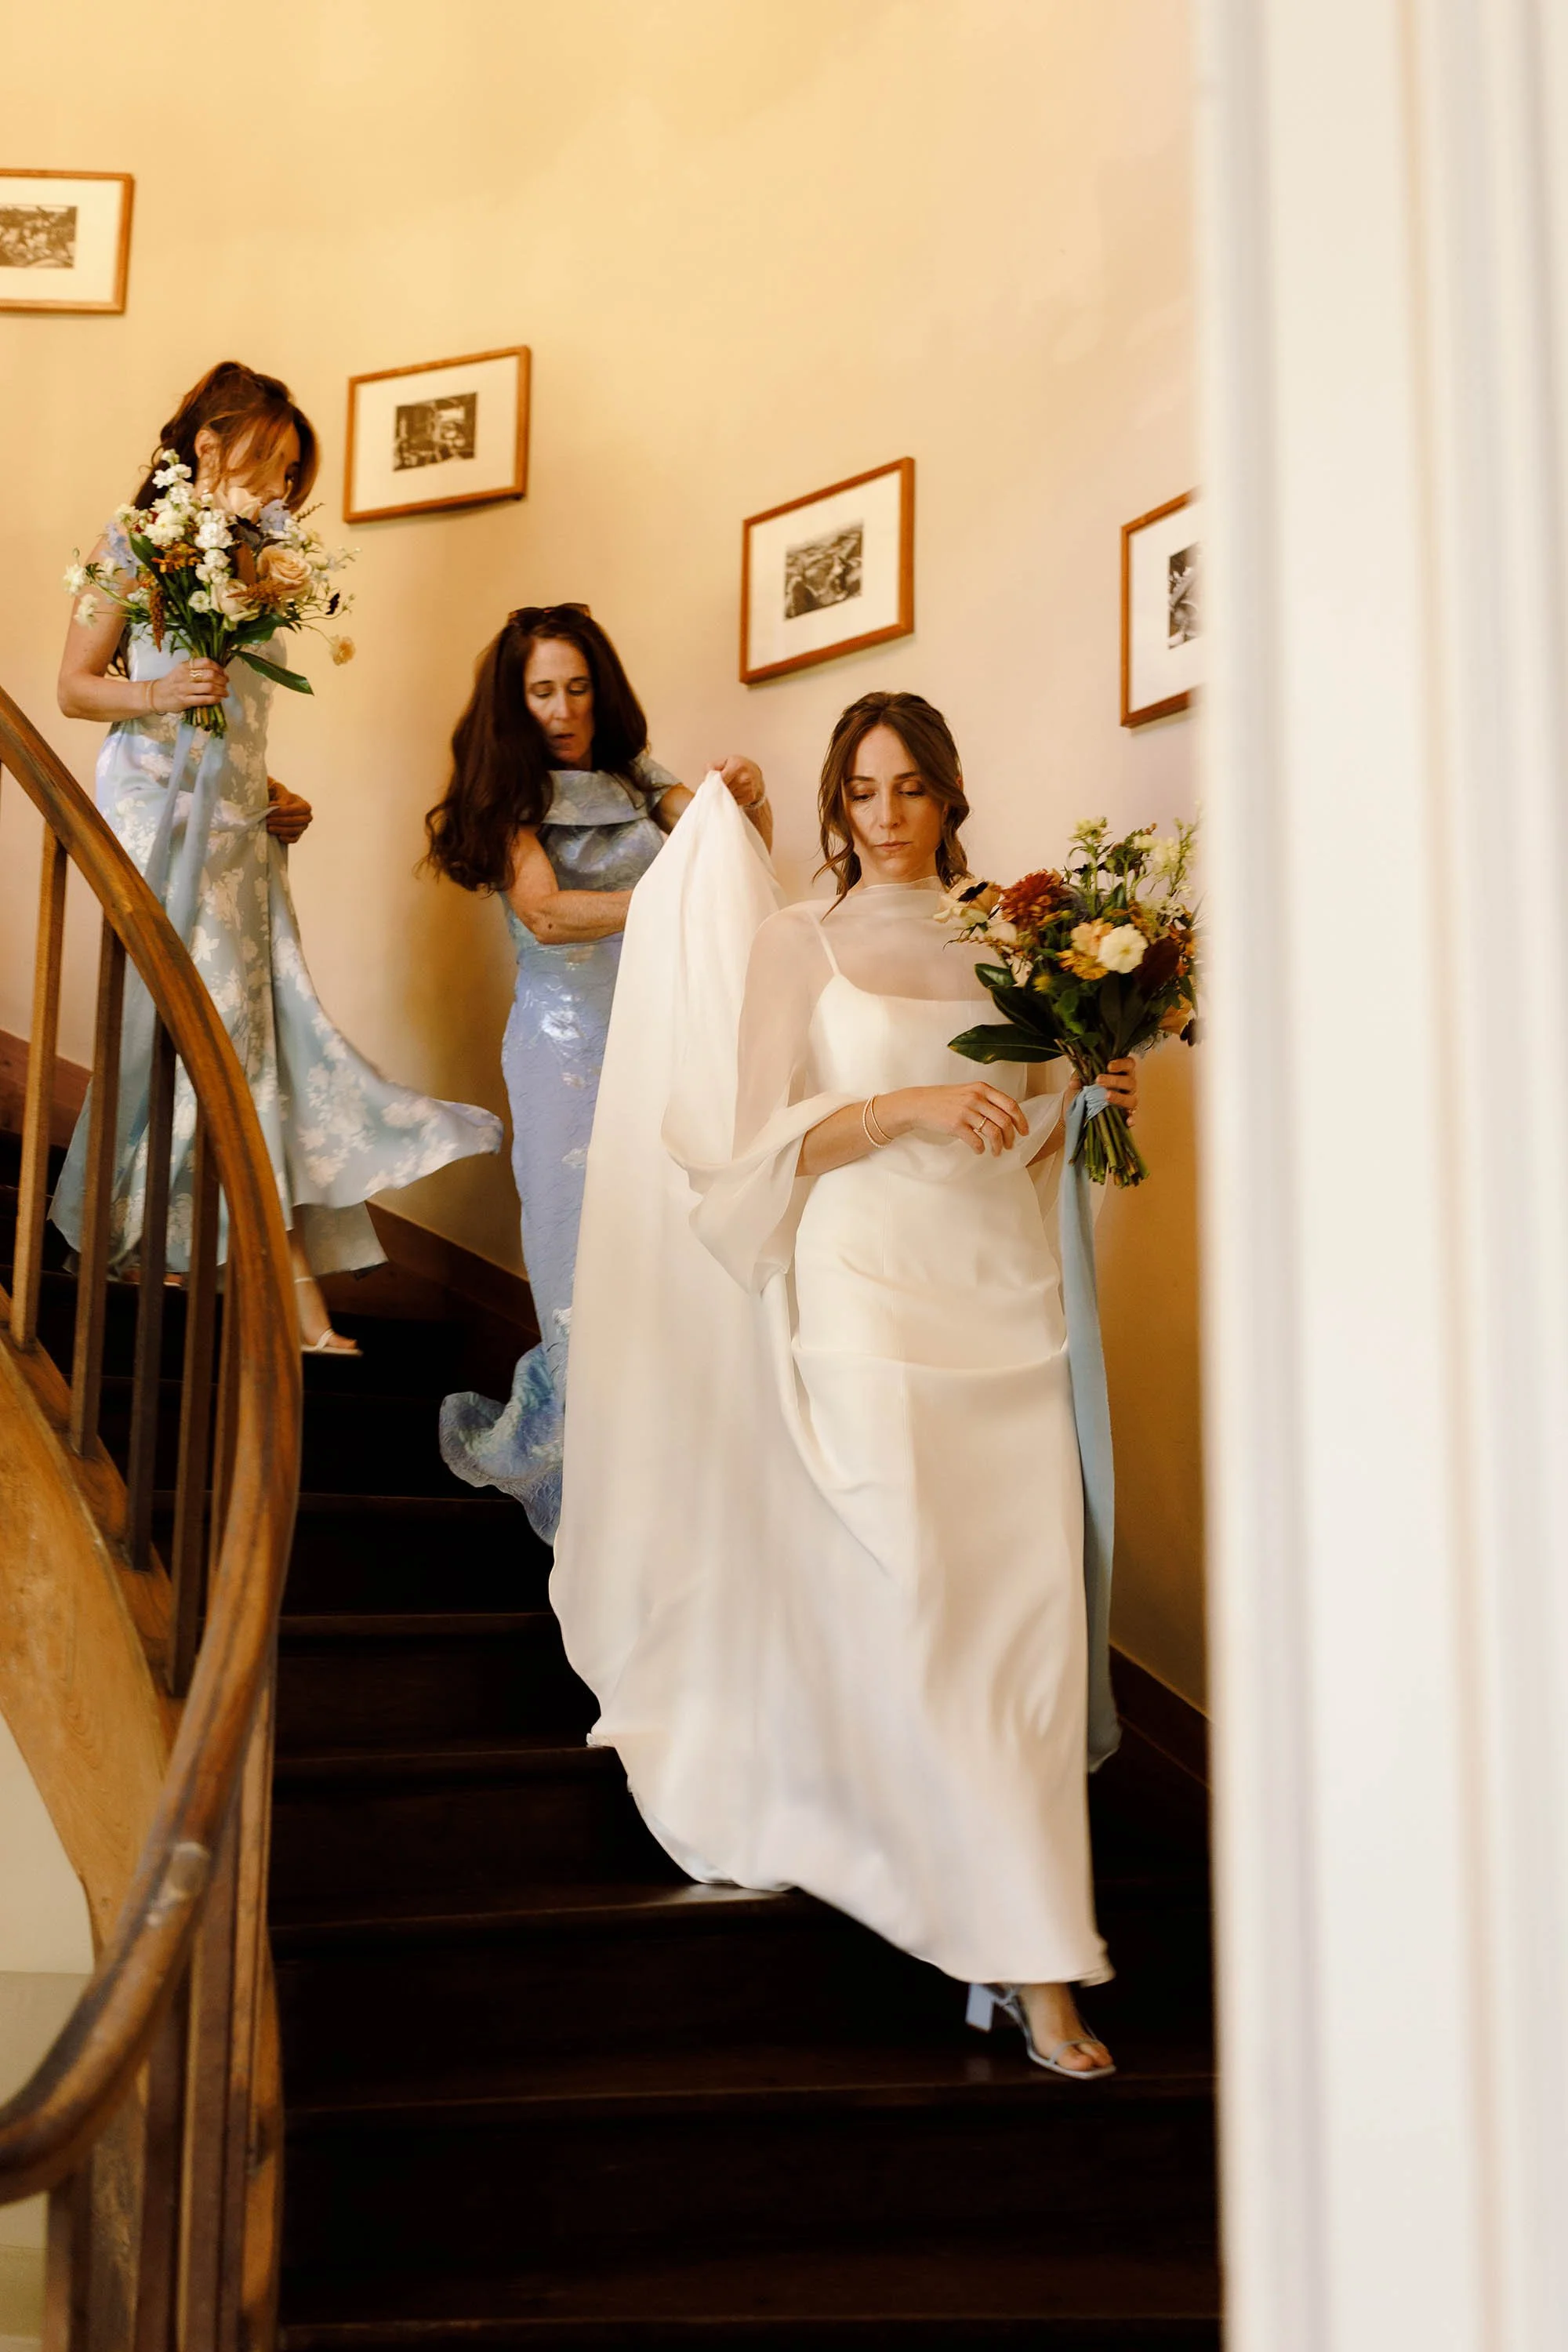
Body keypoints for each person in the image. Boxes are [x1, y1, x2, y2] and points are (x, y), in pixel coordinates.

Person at [552, 691, 1139, 2078]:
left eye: (911, 789)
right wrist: (898, 1109)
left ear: (949, 795)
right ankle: (1026, 1957)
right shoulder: (795, 941)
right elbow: (754, 1148)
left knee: (1033, 1635)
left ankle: (1027, 1947)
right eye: (863, 792)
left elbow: (1031, 1140)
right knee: (936, 1607)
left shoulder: (1017, 939)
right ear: (838, 804)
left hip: (1007, 1304)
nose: (886, 817)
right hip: (872, 1308)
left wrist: (1091, 1098)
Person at [54, 361, 502, 1352]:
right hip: (157, 805)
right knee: (217, 1029)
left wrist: (272, 795)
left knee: (253, 1028)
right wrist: (160, 697)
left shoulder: (263, 565)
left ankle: (203, 1252)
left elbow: (243, 715)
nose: (281, 489)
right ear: (207, 448)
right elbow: (77, 688)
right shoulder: (137, 540)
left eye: (294, 472)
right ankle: (284, 1291)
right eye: (270, 463)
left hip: (238, 820)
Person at [423, 604, 770, 1538]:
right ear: (514, 700)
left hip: (665, 1044)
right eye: (542, 691)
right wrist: (674, 900)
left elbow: (733, 860)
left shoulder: (638, 777)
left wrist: (751, 795)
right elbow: (548, 916)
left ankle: (675, 1495)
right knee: (580, 1263)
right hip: (566, 1052)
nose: (563, 708)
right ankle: (594, 1506)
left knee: (678, 1254)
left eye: (577, 687)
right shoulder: (503, 798)